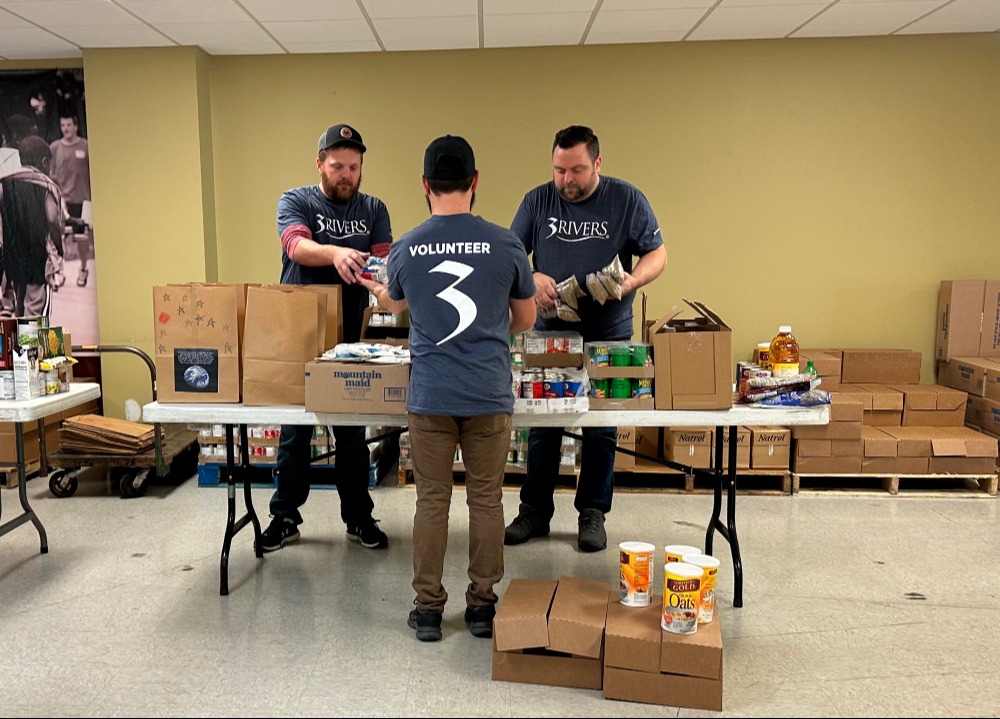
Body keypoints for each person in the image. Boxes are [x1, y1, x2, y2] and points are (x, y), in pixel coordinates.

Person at [357, 135, 535, 642]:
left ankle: (429, 610)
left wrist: (378, 288)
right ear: (475, 182)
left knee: (432, 500)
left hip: (431, 395)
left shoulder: (408, 246)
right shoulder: (506, 244)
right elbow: (523, 319)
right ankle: (482, 608)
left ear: (425, 185)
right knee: (486, 499)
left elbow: (393, 307)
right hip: (487, 394)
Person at [504, 125, 667, 553]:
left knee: (601, 427)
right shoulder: (537, 201)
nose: (567, 181)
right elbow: (511, 253)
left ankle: (592, 512)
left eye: (576, 170)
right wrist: (532, 276)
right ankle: (534, 510)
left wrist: (633, 280)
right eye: (559, 170)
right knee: (543, 424)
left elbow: (658, 253)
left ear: (597, 163)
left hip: (608, 331)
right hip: (551, 332)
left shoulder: (626, 199)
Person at [258, 123, 393, 553]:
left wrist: (385, 290)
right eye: (337, 166)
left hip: (352, 338)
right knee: (295, 431)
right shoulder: (296, 200)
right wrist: (336, 253)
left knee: (351, 432)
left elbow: (382, 264)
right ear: (320, 164)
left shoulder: (374, 209)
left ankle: (358, 518)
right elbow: (295, 246)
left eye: (353, 167)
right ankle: (284, 517)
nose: (346, 174)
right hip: (299, 334)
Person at [0, 136, 65, 318]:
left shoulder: (6, 182)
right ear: (45, 162)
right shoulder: (44, 185)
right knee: (35, 303)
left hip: (12, 253)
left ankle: (20, 344)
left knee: (20, 299)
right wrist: (59, 247)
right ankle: (31, 345)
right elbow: (52, 218)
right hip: (36, 253)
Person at [49, 113, 91, 287]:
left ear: (75, 126)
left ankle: (82, 269)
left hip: (83, 200)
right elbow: (51, 173)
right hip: (62, 200)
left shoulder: (86, 146)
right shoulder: (55, 147)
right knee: (58, 238)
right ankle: (59, 272)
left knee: (82, 239)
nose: (66, 128)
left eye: (69, 125)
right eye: (63, 125)